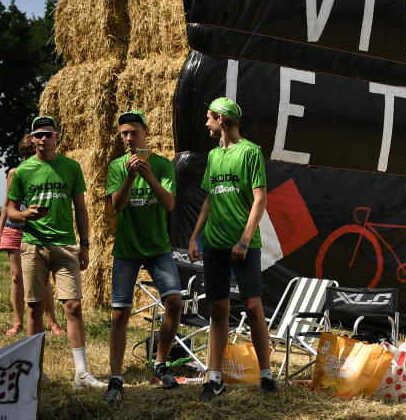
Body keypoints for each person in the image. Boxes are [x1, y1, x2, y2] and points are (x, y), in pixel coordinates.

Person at [188, 97, 277, 401]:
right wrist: (194, 237)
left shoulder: (251, 152)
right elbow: (210, 199)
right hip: (214, 244)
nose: (206, 123)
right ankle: (214, 379)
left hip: (243, 245)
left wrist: (244, 239)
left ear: (222, 120)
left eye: (209, 118)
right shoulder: (213, 156)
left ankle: (266, 376)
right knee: (217, 309)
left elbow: (260, 199)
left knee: (253, 307)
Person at [7, 115, 105, 389]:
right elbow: (11, 210)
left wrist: (85, 244)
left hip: (65, 244)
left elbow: (81, 208)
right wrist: (26, 214)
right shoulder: (24, 171)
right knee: (34, 308)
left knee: (72, 305)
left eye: (48, 134)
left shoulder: (71, 168)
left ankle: (81, 373)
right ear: (33, 138)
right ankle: (34, 371)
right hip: (33, 244)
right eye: (38, 134)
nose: (42, 139)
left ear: (56, 137)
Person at [104, 110, 182, 403]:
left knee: (175, 302)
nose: (127, 138)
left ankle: (159, 364)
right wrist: (128, 176)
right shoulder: (116, 166)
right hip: (127, 249)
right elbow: (118, 206)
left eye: (133, 132)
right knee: (119, 313)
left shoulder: (162, 165)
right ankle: (116, 377)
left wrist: (148, 175)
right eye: (123, 133)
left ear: (145, 134)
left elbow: (170, 203)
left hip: (158, 247)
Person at [0, 134, 66, 337]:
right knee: (17, 276)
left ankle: (52, 322)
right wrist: (0, 232)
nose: (27, 157)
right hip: (13, 227)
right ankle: (18, 322)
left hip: (36, 229)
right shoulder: (15, 173)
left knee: (42, 279)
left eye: (30, 153)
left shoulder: (47, 171)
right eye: (24, 154)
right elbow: (7, 205)